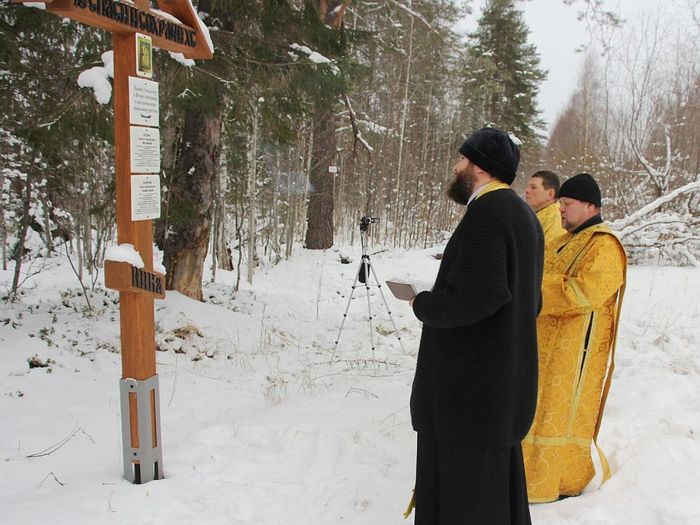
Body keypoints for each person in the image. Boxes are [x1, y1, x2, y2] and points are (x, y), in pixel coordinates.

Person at [406, 127, 544, 525]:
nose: (455, 166)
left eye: (461, 159)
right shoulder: (523, 216)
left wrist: (424, 303)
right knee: (489, 501)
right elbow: (528, 300)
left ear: (479, 167)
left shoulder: (488, 214)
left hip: (470, 399)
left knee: (467, 505)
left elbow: (479, 296)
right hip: (496, 392)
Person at [522, 173, 627, 503]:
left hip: (574, 358)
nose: (561, 210)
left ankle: (557, 483)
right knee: (532, 414)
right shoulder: (562, 240)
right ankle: (522, 479)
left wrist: (532, 289)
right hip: (544, 346)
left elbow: (584, 292)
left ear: (590, 206)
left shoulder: (605, 245)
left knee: (557, 418)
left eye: (566, 205)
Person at [524, 170, 566, 247]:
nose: (526, 190)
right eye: (527, 186)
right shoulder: (540, 215)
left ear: (550, 194)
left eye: (533, 187)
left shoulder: (555, 221)